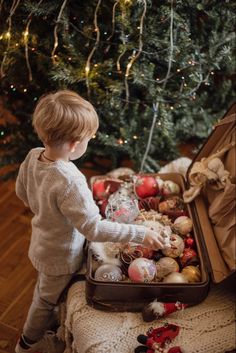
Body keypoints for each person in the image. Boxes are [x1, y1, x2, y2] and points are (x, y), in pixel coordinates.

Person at [15, 90, 166, 353]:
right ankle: (28, 342)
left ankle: (42, 322)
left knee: (46, 289)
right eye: (88, 138)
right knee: (44, 299)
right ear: (75, 144)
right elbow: (93, 228)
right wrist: (140, 233)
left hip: (42, 241)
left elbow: (21, 192)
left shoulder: (33, 155)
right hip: (60, 256)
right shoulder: (70, 180)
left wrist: (46, 211)